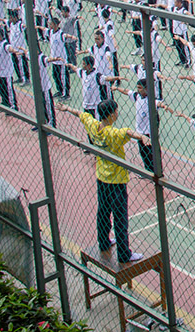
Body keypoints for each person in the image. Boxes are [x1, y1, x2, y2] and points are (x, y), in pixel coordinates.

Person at [57, 99, 146, 263]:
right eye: (116, 112)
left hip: (101, 178)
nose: (117, 114)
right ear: (112, 115)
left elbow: (81, 114)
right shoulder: (112, 134)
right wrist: (142, 137)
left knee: (103, 212)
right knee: (120, 218)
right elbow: (127, 133)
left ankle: (104, 242)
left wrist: (66, 108)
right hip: (117, 181)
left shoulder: (93, 126)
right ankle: (124, 253)